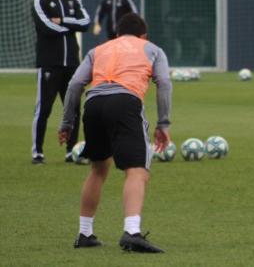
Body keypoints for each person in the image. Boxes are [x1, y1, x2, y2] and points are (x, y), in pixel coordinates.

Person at [58, 13, 171, 253]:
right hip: (125, 102)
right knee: (137, 171)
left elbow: (75, 84)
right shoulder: (152, 49)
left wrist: (67, 122)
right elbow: (164, 83)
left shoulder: (99, 49)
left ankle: (85, 233)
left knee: (98, 168)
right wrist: (163, 123)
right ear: (144, 35)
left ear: (117, 34)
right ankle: (132, 232)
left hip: (94, 105)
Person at [31, 0, 90, 164]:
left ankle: (70, 151)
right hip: (49, 63)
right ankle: (37, 152)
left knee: (73, 109)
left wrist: (62, 21)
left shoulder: (72, 0)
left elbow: (86, 23)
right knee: (44, 109)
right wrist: (71, 25)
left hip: (72, 64)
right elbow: (46, 27)